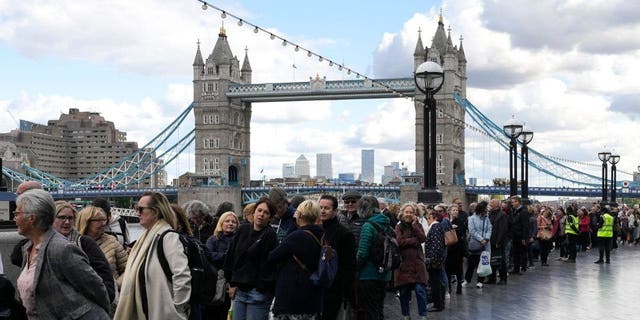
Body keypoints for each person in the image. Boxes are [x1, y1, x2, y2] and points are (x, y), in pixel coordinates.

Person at [15, 189, 110, 319]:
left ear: (32, 218)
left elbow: (96, 288)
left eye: (17, 213)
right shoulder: (28, 249)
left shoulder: (62, 249)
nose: (14, 218)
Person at [114, 191, 191, 320]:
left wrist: (177, 309)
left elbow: (182, 275)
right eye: (136, 208)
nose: (137, 213)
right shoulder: (145, 239)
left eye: (141, 209)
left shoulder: (168, 237)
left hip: (165, 314)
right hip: (147, 312)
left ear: (155, 212)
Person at [266, 200, 324, 319]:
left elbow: (272, 257)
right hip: (313, 297)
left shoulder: (296, 236)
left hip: (291, 296)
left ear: (299, 215)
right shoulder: (323, 236)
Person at [223, 196, 278, 320]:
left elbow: (270, 266)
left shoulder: (270, 236)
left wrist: (263, 288)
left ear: (270, 217)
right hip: (239, 291)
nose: (261, 214)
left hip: (258, 293)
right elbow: (231, 257)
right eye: (259, 210)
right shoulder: (243, 229)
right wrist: (231, 283)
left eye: (266, 213)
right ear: (254, 212)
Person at [76, 205, 129, 297]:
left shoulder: (111, 241)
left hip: (111, 298)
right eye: (98, 220)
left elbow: (128, 269)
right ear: (86, 221)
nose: (103, 223)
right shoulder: (73, 243)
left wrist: (115, 285)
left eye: (104, 220)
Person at [318, 194, 356, 320]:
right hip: (318, 286)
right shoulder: (317, 230)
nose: (322, 211)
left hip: (334, 289)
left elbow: (349, 266)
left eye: (327, 208)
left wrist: (345, 294)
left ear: (335, 211)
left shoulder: (345, 234)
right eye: (321, 207)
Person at [354, 196, 390, 319]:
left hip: (368, 274)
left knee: (369, 310)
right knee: (379, 308)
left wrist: (355, 268)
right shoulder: (386, 223)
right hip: (384, 274)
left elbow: (362, 253)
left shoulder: (368, 226)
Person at [394, 203, 427, 320]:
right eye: (407, 212)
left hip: (417, 264)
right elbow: (399, 241)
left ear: (415, 214)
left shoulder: (417, 225)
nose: (409, 214)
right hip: (404, 264)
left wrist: (415, 227)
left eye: (411, 212)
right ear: (403, 213)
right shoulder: (399, 226)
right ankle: (405, 315)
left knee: (420, 291)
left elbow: (423, 238)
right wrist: (414, 241)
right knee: (404, 292)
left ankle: (423, 315)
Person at [205, 211, 239, 320]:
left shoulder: (239, 240)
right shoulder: (213, 239)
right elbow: (208, 255)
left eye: (233, 222)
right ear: (221, 223)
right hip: (214, 283)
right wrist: (227, 256)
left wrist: (220, 256)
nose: (230, 223)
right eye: (227, 221)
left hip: (232, 283)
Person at [463, 201, 492, 289]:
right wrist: (481, 239)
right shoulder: (471, 218)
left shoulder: (486, 218)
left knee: (483, 262)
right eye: (487, 207)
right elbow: (472, 231)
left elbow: (489, 228)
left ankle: (480, 281)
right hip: (476, 243)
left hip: (485, 244)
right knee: (471, 263)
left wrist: (486, 238)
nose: (488, 209)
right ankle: (467, 280)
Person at [424, 207, 446, 312]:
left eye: (429, 217)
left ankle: (438, 304)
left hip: (434, 261)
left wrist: (431, 260)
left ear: (434, 217)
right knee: (436, 282)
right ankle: (438, 303)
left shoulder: (436, 227)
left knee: (435, 282)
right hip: (435, 260)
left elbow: (436, 246)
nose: (427, 220)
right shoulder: (436, 227)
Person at [486, 199, 508, 285]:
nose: (490, 204)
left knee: (501, 260)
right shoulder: (490, 214)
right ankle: (491, 278)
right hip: (490, 241)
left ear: (497, 205)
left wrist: (498, 241)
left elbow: (502, 229)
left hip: (498, 242)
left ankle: (503, 278)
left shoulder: (502, 214)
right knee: (492, 260)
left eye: (492, 203)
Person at [445, 204, 466, 294]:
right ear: (449, 211)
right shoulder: (446, 221)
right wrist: (451, 228)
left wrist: (454, 229)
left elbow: (462, 232)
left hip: (457, 248)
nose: (455, 212)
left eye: (456, 210)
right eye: (453, 210)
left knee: (458, 268)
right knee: (448, 268)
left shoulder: (460, 221)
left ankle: (459, 287)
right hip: (448, 248)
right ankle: (448, 287)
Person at [509, 196, 529, 274]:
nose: (512, 203)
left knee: (522, 252)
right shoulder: (514, 211)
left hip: (520, 236)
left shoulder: (523, 211)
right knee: (515, 253)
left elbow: (525, 225)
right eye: (512, 202)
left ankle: (522, 268)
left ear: (518, 202)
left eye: (513, 202)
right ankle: (516, 268)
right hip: (515, 235)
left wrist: (524, 237)